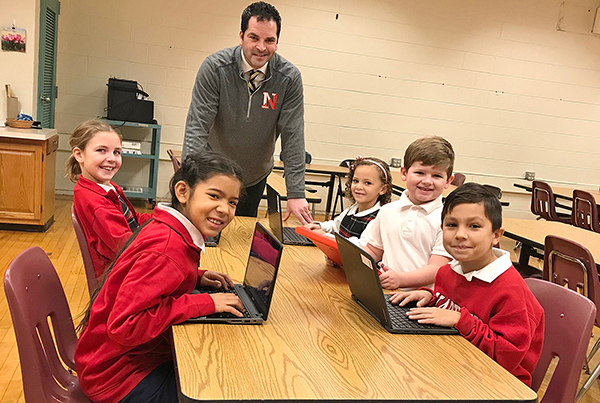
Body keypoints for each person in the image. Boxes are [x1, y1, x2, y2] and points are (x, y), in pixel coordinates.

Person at [74, 152, 247, 403]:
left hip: (118, 361)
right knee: (219, 389)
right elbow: (125, 326)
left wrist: (195, 277)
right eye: (214, 196)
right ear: (182, 191)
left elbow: (149, 280)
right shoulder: (167, 249)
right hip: (117, 378)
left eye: (232, 202)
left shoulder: (169, 230)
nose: (224, 209)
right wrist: (204, 303)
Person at [390, 183, 544, 386]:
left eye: (474, 226)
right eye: (452, 225)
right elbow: (455, 304)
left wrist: (458, 320)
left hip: (500, 384)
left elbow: (506, 357)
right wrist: (431, 297)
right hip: (454, 364)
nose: (460, 234)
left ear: (496, 236)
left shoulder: (511, 292)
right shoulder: (447, 272)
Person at [183, 1, 311, 224]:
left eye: (269, 40)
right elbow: (197, 127)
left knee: (240, 235)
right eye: (254, 38)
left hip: (254, 176)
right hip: (214, 171)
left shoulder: (288, 79)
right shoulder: (215, 68)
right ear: (241, 36)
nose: (261, 47)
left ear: (277, 42)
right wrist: (188, 180)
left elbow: (293, 136)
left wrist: (296, 193)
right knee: (207, 236)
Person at [359, 136, 455, 290]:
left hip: (423, 301)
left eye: (437, 176)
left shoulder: (449, 220)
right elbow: (372, 250)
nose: (427, 181)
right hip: (387, 292)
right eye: (420, 173)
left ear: (448, 181)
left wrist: (400, 280)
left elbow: (437, 268)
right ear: (404, 173)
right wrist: (343, 258)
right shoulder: (387, 211)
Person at [66, 119, 152, 279]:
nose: (112, 158)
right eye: (101, 150)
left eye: (117, 152)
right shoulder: (94, 200)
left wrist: (165, 218)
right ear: (79, 154)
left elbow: (132, 221)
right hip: (121, 277)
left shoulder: (107, 187)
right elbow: (125, 246)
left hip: (129, 264)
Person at [304, 156, 392, 245]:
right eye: (356, 181)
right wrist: (320, 226)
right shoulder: (352, 210)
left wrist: (325, 236)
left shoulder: (378, 219)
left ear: (383, 189)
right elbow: (335, 226)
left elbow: (359, 245)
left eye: (367, 183)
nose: (358, 187)